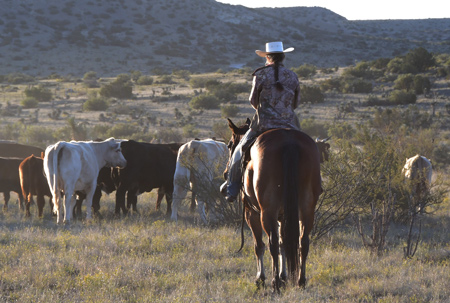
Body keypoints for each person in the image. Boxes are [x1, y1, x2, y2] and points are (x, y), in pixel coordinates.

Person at [222, 41, 301, 202]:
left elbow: (253, 101)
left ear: (268, 58)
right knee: (310, 146)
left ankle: (233, 187)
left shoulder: (260, 74)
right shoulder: (293, 75)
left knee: (239, 150)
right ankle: (317, 183)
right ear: (283, 57)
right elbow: (296, 103)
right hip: (290, 124)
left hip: (264, 124)